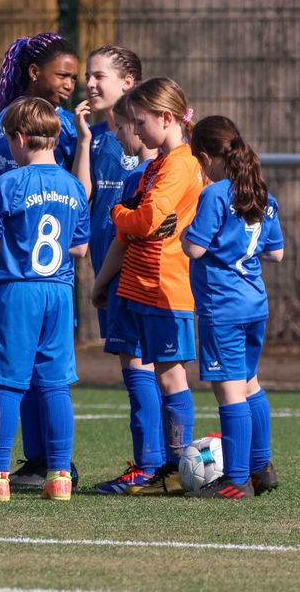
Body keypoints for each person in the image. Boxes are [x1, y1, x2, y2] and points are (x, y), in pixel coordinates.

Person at [0, 97, 90, 502]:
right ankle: (59, 476)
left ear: (18, 139)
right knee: (55, 385)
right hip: (59, 290)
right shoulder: (73, 185)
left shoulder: (8, 184)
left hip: (18, 289)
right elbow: (80, 248)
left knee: (9, 382)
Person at [73, 47, 162, 493]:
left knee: (140, 363)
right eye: (87, 75)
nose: (89, 83)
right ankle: (157, 464)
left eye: (99, 75)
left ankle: (150, 466)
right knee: (142, 363)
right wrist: (85, 142)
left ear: (128, 83)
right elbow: (82, 196)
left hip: (134, 269)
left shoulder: (144, 141)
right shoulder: (96, 137)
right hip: (109, 264)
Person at [109, 77, 203, 496]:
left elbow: (143, 220)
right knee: (154, 375)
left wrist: (117, 213)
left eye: (140, 122)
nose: (138, 131)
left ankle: (179, 467)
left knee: (170, 379)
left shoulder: (182, 164)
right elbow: (141, 221)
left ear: (166, 118)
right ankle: (164, 467)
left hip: (167, 285)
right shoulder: (157, 166)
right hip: (141, 284)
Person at [181, 116, 283, 498]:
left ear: (206, 158)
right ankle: (262, 466)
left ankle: (236, 479)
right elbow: (276, 252)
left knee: (229, 391)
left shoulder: (215, 194)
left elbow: (195, 248)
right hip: (254, 303)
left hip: (221, 306)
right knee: (250, 383)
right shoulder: (259, 192)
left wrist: (182, 233)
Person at [0, 32, 79, 177]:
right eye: (62, 75)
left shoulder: (75, 127)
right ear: (34, 72)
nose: (69, 85)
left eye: (74, 78)